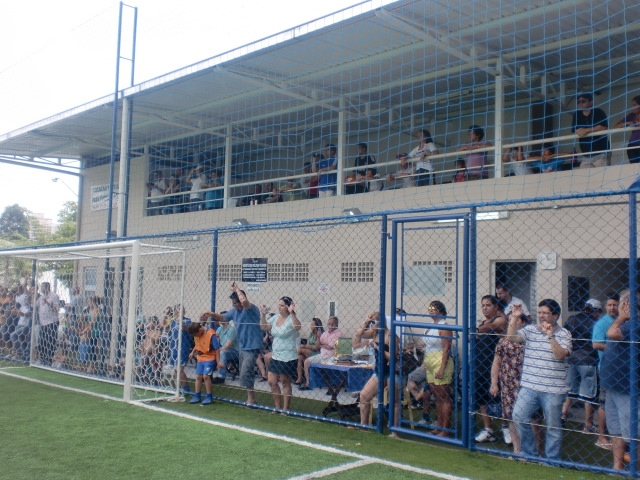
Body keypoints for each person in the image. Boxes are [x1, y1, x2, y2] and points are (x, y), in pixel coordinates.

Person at [508, 299, 572, 459]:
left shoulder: (564, 334)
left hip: (553, 389)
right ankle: (530, 454)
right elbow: (511, 338)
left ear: (555, 315)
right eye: (540, 312)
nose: (541, 316)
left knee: (553, 426)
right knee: (518, 416)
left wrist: (550, 336)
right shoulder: (530, 330)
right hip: (529, 386)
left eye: (545, 313)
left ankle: (551, 460)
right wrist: (514, 317)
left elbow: (559, 356)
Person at [200, 282, 262, 405]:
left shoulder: (251, 308)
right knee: (245, 373)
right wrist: (210, 313)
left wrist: (237, 289)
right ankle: (251, 398)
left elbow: (244, 302)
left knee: (245, 371)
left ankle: (251, 399)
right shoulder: (234, 311)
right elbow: (223, 318)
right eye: (233, 303)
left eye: (235, 302)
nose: (234, 305)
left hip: (253, 345)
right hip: (242, 346)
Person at [600, 289, 640, 470]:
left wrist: (621, 317)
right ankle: (617, 467)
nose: (620, 305)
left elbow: (612, 334)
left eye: (624, 302)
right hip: (612, 385)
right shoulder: (627, 322)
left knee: (632, 432)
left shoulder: (634, 323)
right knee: (615, 430)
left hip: (627, 387)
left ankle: (635, 469)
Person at [490, 312, 532, 454]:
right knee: (511, 415)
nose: (513, 323)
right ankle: (517, 449)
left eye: (517, 320)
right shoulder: (503, 342)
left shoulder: (530, 340)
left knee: (531, 417)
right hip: (508, 384)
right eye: (510, 321)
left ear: (523, 322)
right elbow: (496, 363)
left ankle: (533, 450)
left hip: (528, 383)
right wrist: (494, 383)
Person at [412, 301, 454, 436]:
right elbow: (429, 346)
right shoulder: (429, 327)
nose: (431, 310)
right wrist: (423, 350)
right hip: (430, 361)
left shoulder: (444, 326)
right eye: (429, 308)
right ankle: (439, 425)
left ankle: (445, 429)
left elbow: (447, 348)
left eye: (434, 308)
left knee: (444, 397)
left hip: (440, 361)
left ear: (441, 311)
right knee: (436, 397)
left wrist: (442, 368)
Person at [561, 299, 602, 433]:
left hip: (572, 358)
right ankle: (588, 425)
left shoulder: (572, 318)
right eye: (599, 311)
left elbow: (564, 334)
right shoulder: (596, 323)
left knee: (571, 391)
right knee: (588, 395)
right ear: (596, 311)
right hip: (589, 360)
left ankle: (563, 414)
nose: (599, 314)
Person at [474, 295, 508, 444]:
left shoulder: (499, 321)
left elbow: (492, 327)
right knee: (483, 401)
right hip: (480, 367)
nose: (485, 308)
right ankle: (488, 430)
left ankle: (506, 428)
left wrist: (476, 329)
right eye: (483, 305)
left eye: (488, 305)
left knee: (500, 401)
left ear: (496, 307)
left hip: (495, 369)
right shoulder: (482, 323)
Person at [358, 313, 401, 427]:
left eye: (373, 323)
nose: (371, 325)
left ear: (380, 323)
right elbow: (358, 334)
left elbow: (393, 357)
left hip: (391, 371)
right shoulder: (374, 333)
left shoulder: (391, 335)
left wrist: (378, 348)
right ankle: (364, 426)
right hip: (379, 371)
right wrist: (366, 322)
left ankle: (395, 430)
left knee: (394, 402)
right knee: (363, 396)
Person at [260, 296, 301, 411]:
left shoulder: (291, 319)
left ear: (288, 307)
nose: (279, 307)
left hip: (288, 356)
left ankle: (285, 409)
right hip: (276, 355)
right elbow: (264, 326)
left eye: (282, 305)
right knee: (271, 381)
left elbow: (297, 327)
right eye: (279, 305)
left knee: (284, 381)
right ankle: (277, 407)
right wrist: (263, 315)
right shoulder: (276, 317)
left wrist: (293, 313)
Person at [592, 292, 619, 449]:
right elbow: (596, 344)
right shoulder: (602, 323)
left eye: (614, 304)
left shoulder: (621, 321)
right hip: (607, 369)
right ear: (605, 307)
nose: (612, 307)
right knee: (604, 403)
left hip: (621, 369)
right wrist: (619, 349)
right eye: (609, 305)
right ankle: (602, 436)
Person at [298, 316, 342, 391]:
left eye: (332, 324)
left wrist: (322, 344)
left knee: (329, 364)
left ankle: (331, 387)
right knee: (306, 361)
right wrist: (319, 338)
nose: (330, 325)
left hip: (332, 356)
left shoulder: (338, 334)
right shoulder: (325, 333)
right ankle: (308, 383)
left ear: (336, 324)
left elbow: (330, 347)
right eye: (329, 324)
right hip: (322, 355)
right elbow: (318, 346)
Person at [572, 93, 611, 168]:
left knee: (603, 176)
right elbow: (576, 130)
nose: (580, 103)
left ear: (591, 102)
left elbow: (603, 127)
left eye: (583, 101)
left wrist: (586, 130)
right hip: (586, 155)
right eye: (578, 102)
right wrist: (591, 129)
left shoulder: (598, 112)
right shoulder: (576, 114)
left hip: (601, 152)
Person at [186, 322, 221, 405]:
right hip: (200, 358)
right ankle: (197, 396)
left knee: (206, 376)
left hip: (210, 358)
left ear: (200, 330)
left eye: (196, 335)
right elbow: (198, 344)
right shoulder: (197, 334)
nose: (196, 337)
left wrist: (218, 361)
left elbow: (217, 349)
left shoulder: (211, 334)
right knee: (198, 376)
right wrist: (192, 352)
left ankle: (209, 397)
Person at [36, 282, 60, 366]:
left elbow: (57, 309)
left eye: (43, 287)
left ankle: (49, 361)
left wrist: (48, 303)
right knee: (42, 342)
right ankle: (42, 360)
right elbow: (35, 305)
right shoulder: (41, 297)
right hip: (43, 323)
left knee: (50, 342)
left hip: (52, 322)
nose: (42, 289)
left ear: (47, 287)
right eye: (41, 287)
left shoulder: (54, 296)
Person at [295, 317, 323, 385]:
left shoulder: (320, 334)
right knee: (300, 358)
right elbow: (308, 344)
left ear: (317, 325)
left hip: (317, 354)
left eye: (313, 324)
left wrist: (306, 347)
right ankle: (300, 378)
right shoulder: (311, 334)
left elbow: (317, 348)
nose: (311, 326)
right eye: (311, 324)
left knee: (301, 350)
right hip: (309, 351)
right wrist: (307, 347)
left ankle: (293, 354)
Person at [211, 314, 238, 384]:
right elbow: (215, 340)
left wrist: (217, 350)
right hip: (223, 349)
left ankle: (221, 377)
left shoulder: (232, 330)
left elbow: (228, 346)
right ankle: (207, 373)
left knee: (222, 352)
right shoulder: (220, 329)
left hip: (234, 351)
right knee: (213, 351)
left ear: (226, 319)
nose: (219, 319)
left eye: (221, 317)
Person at [614, 95, 640, 164]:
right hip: (632, 146)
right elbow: (616, 126)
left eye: (635, 105)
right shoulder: (631, 115)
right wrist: (628, 123)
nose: (633, 107)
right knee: (634, 169)